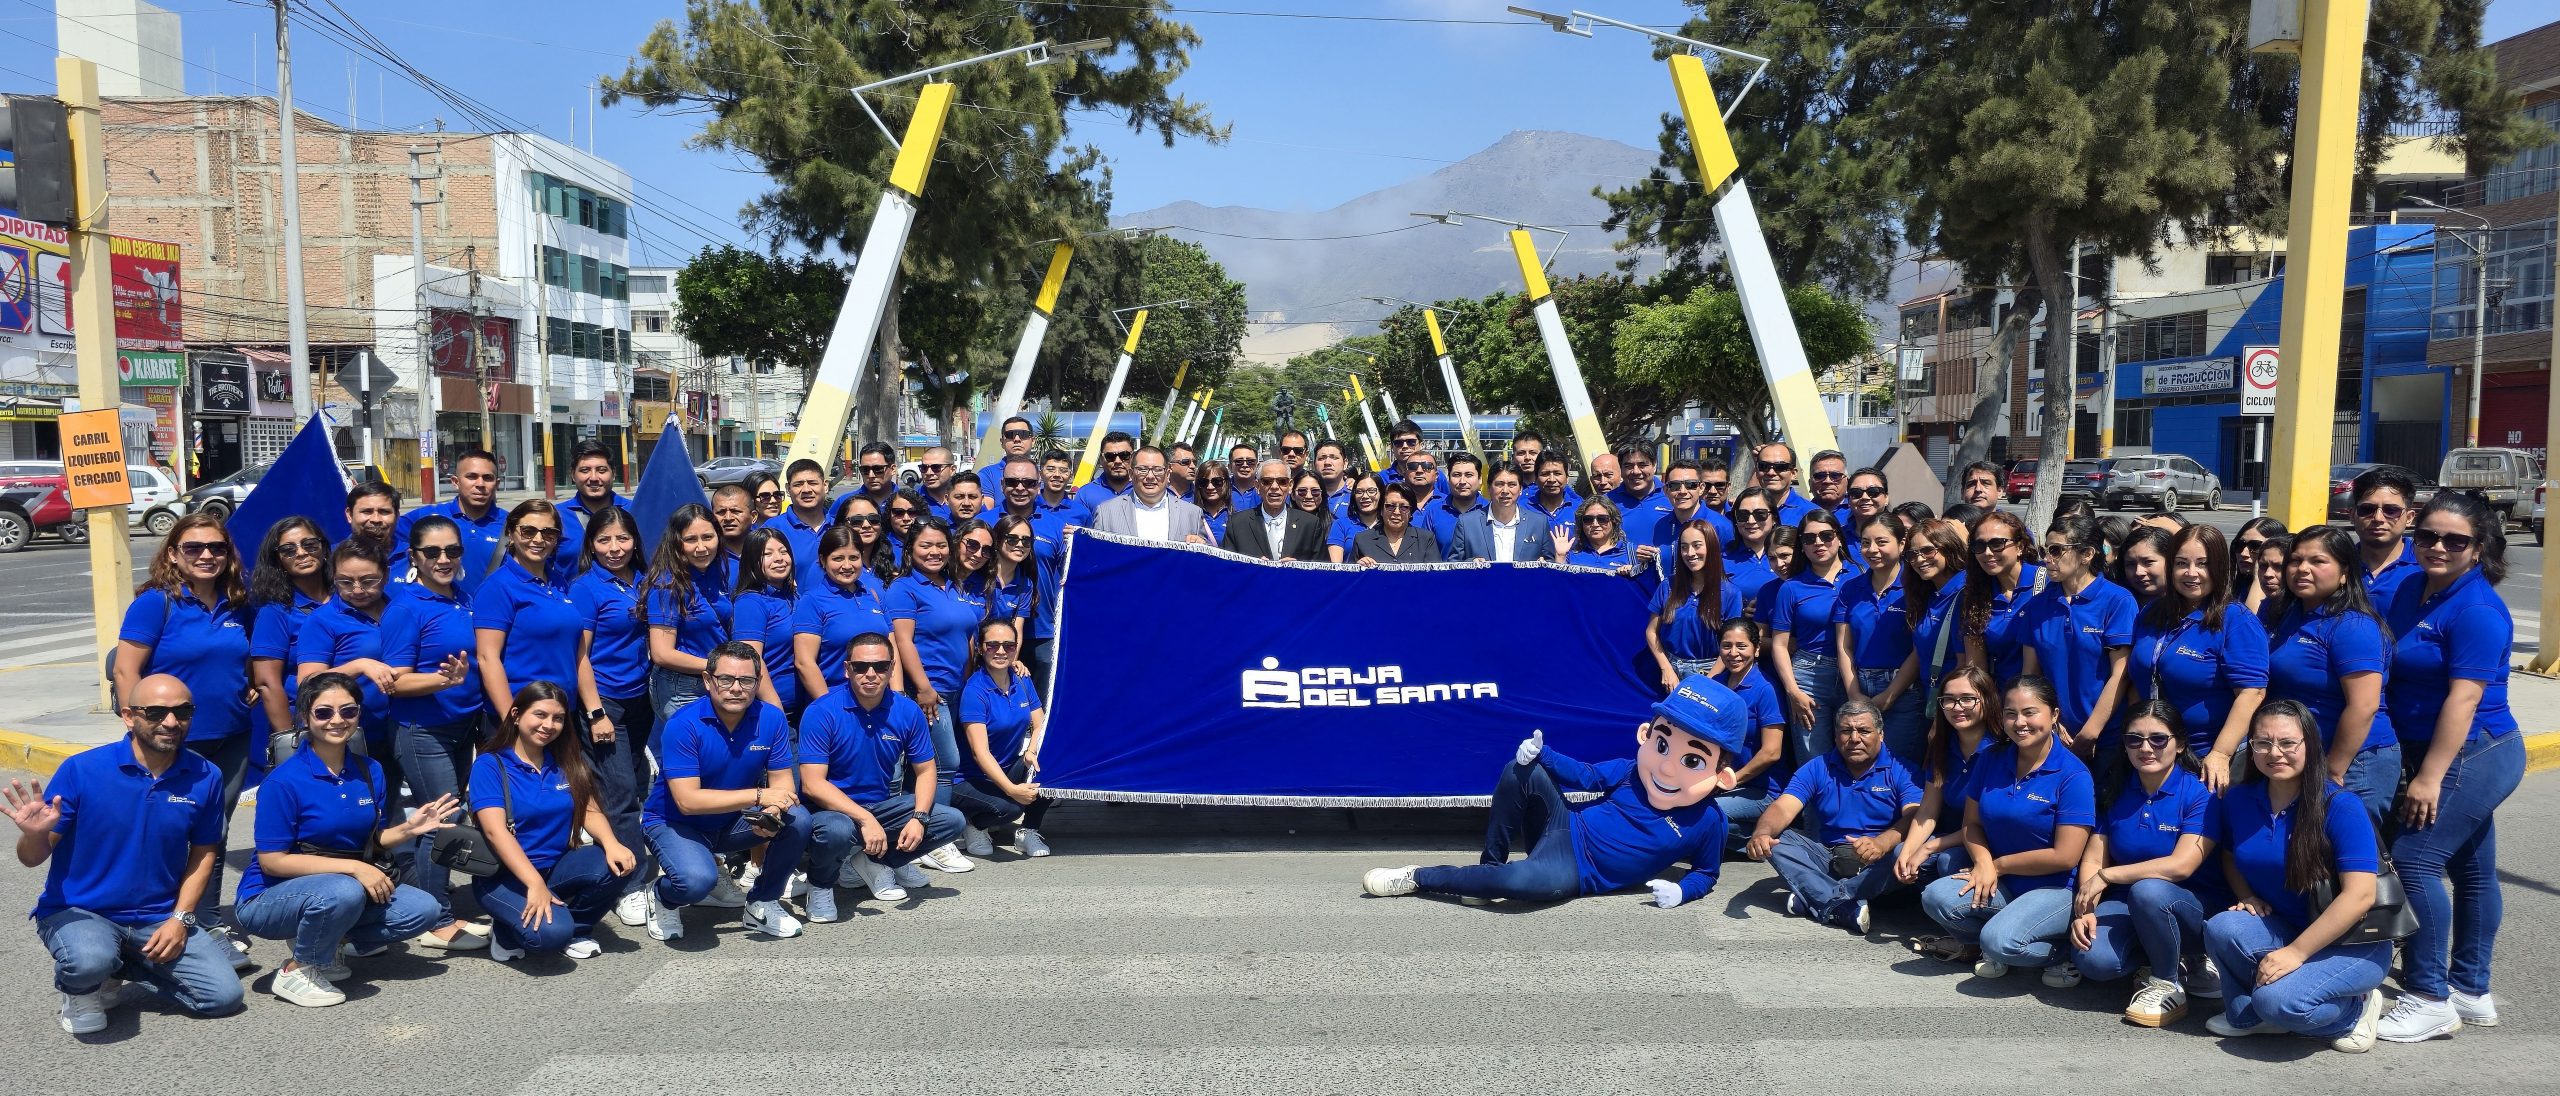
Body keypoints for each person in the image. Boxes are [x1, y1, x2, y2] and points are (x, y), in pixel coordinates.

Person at [1361, 677, 1742, 907]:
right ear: (1646, 734)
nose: (1667, 767)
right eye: (1662, 744)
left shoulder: (1708, 821)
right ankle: (1488, 865)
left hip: (1576, 872)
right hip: (1563, 826)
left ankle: (1420, 877)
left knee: (1513, 886)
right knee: (1520, 769)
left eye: (1692, 760)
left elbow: (1706, 872)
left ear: (1722, 777)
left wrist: (1682, 892)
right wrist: (1543, 753)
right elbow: (1587, 776)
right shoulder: (1631, 770)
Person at [10, 674, 245, 1033]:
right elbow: (31, 858)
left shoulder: (205, 775)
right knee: (89, 961)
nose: (171, 722)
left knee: (224, 997)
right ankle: (83, 984)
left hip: (157, 916)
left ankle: (117, 965)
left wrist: (180, 919)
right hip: (82, 911)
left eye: (183, 712)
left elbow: (203, 853)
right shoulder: (82, 770)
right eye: (156, 712)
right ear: (129, 716)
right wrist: (34, 835)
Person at [2376, 490, 2522, 1041]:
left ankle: (2428, 996)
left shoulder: (2477, 610)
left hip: (2473, 749)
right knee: (2473, 871)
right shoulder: (2413, 587)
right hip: (2430, 746)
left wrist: (2430, 777)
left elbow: (2464, 699)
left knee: (2414, 861)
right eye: (2429, 536)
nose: (2438, 547)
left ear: (2479, 548)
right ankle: (2470, 989)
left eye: (2455, 540)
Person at [233, 674, 464, 1006]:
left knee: (423, 909)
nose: (337, 720)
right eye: (324, 712)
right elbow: (273, 861)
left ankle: (326, 942)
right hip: (269, 896)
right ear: (305, 717)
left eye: (348, 711)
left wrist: (409, 829)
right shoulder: (284, 782)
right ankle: (297, 970)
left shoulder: (370, 770)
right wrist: (355, 868)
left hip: (340, 886)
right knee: (345, 889)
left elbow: (372, 840)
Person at [2203, 700, 2391, 1052]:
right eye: (2263, 742)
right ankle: (2252, 1017)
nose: (2275, 753)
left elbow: (2360, 895)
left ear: (2311, 745)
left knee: (2279, 1002)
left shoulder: (2340, 805)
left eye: (2288, 743)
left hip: (2353, 944)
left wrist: (2296, 953)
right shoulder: (2240, 799)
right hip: (2288, 928)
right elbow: (2230, 855)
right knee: (2222, 927)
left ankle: (2357, 1008)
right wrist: (2245, 894)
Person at [114, 515, 254, 957]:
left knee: (214, 831)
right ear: (173, 554)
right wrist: (135, 720)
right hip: (172, 737)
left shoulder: (238, 603)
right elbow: (126, 669)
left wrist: (249, 683)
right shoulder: (156, 603)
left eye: (216, 547)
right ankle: (143, 918)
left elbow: (241, 660)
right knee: (165, 827)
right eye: (194, 548)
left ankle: (204, 920)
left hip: (231, 736)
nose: (206, 555)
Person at [1917, 675, 2095, 981]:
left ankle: (2063, 953)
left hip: (2053, 888)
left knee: (1999, 942)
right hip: (2001, 882)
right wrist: (1984, 862)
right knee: (1935, 898)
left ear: (2054, 715)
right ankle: (2001, 935)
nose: (2020, 722)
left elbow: (2065, 856)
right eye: (2010, 714)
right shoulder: (1990, 759)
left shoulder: (2073, 775)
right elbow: (1971, 824)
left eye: (2030, 712)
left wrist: (1997, 866)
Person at [638, 643, 811, 941]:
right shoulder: (683, 724)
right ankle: (661, 896)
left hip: (731, 820)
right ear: (708, 680)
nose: (736, 688)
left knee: (798, 819)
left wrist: (772, 812)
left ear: (758, 683)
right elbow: (688, 801)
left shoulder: (771, 718)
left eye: (746, 680)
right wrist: (760, 797)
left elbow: (783, 785)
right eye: (726, 679)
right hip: (676, 822)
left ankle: (762, 903)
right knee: (695, 882)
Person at [2067, 702, 2225, 1025]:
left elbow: (2181, 866)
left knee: (2149, 891)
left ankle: (2168, 983)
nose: (2146, 748)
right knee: (2095, 961)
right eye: (2134, 739)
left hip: (2191, 908)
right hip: (2128, 903)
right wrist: (2086, 911)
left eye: (2158, 739)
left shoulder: (2200, 794)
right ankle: (2156, 957)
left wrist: (2108, 876)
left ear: (2179, 744)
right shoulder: (2116, 788)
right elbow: (2094, 857)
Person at [377, 516, 488, 950]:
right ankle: (434, 920)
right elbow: (394, 681)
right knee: (439, 820)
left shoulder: (463, 597)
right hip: (422, 730)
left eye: (452, 551)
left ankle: (436, 906)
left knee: (446, 817)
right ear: (413, 556)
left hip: (462, 726)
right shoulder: (407, 607)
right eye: (432, 552)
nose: (444, 559)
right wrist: (444, 681)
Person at [797, 633, 966, 914]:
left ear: (892, 668)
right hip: (830, 810)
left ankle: (872, 862)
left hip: (880, 806)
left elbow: (926, 770)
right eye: (861, 666)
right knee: (837, 830)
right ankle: (820, 884)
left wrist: (919, 818)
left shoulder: (907, 710)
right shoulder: (822, 711)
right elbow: (813, 785)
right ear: (847, 669)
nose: (871, 674)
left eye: (880, 666)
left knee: (950, 820)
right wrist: (865, 819)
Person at [470, 681, 637, 961]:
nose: (549, 725)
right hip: (504, 877)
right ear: (516, 715)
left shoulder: (564, 761)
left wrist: (611, 843)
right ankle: (505, 929)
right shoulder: (490, 765)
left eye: (558, 718)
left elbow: (589, 810)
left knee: (620, 863)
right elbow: (495, 831)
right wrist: (534, 883)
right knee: (550, 935)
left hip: (556, 867)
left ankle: (578, 929)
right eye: (540, 715)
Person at [2263, 525, 2400, 830]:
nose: (2302, 569)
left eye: (2318, 561)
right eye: (2296, 560)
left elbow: (2364, 706)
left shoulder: (2353, 626)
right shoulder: (2288, 614)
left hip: (2355, 762)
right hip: (2301, 756)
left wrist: (2333, 769)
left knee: (2344, 852)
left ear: (2344, 573)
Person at [1746, 701, 1922, 935]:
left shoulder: (1903, 770)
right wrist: (1761, 834)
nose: (1854, 738)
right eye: (1846, 731)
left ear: (1881, 735)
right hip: (1829, 857)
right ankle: (1841, 905)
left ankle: (1815, 896)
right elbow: (1782, 807)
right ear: (1836, 736)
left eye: (1864, 731)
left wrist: (1882, 842)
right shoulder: (1818, 767)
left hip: (1879, 861)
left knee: (1906, 852)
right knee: (1776, 841)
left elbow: (1915, 816)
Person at [569, 506, 656, 930]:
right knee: (620, 794)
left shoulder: (645, 579)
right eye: (604, 540)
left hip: (642, 699)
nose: (614, 548)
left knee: (634, 784)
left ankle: (619, 853)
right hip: (606, 702)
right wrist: (595, 712)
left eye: (622, 538)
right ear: (592, 545)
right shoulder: (586, 587)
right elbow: (579, 656)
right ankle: (630, 887)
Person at [2131, 524, 2267, 793]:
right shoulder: (2152, 612)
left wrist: (2221, 753)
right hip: (2150, 751)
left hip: (2205, 759)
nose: (2191, 573)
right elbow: (2137, 679)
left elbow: (2252, 694)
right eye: (2182, 563)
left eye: (2203, 564)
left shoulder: (2236, 620)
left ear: (2219, 567)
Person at [889, 518, 989, 874]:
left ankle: (921, 835)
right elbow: (902, 641)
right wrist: (923, 688)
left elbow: (966, 637)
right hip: (929, 692)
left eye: (941, 545)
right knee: (944, 764)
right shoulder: (904, 588)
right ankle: (936, 840)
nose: (935, 552)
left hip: (957, 688)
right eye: (925, 546)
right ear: (910, 549)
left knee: (935, 766)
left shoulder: (952, 586)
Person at [2015, 514, 2136, 762]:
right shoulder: (2037, 606)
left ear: (2087, 554)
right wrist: (2050, 722)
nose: (2047, 559)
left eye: (2056, 550)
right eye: (2045, 550)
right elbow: (2031, 676)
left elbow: (2121, 675)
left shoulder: (2117, 601)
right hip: (2054, 736)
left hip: (2106, 739)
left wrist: (2090, 733)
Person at [1893, 665, 2004, 910]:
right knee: (1902, 852)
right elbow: (1927, 811)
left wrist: (1930, 846)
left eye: (1967, 699)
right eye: (1949, 700)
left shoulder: (2002, 750)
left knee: (1947, 861)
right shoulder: (1942, 745)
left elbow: (1983, 822)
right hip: (1952, 835)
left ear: (1987, 700)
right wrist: (1909, 850)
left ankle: (1964, 917)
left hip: (1987, 842)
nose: (1957, 707)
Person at [946, 618, 1056, 858]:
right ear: (980, 648)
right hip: (970, 779)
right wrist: (1012, 790)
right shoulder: (975, 691)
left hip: (1006, 768)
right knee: (1011, 809)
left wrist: (1031, 751)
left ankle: (1028, 831)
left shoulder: (1022, 679)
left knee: (1052, 760)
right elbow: (980, 753)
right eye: (992, 645)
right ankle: (974, 823)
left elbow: (1041, 724)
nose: (1001, 651)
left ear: (1016, 648)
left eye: (1008, 645)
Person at [293, 541, 401, 766]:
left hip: (407, 729)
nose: (357, 590)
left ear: (386, 575)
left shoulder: (401, 610)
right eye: (345, 582)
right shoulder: (322, 620)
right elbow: (307, 682)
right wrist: (359, 666)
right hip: (352, 735)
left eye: (368, 581)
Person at [474, 501, 582, 718]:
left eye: (549, 533)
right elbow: (487, 658)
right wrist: (511, 719)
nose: (538, 539)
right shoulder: (498, 587)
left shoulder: (559, 582)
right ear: (510, 533)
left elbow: (576, 651)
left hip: (561, 711)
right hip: (522, 714)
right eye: (528, 531)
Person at [1834, 512, 1925, 765]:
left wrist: (1891, 694)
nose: (1872, 550)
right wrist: (1854, 693)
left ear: (1902, 543)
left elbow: (1920, 647)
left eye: (1881, 542)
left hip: (1904, 689)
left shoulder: (1917, 586)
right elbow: (1844, 645)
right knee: (1860, 763)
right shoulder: (1851, 588)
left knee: (1898, 764)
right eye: (1865, 543)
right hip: (1859, 684)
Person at [1768, 510, 1853, 768]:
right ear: (1802, 547)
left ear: (1839, 537)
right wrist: (1792, 691)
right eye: (1809, 538)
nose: (1818, 543)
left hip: (1856, 672)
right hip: (1809, 675)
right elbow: (1780, 645)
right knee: (1813, 760)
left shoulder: (1861, 576)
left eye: (1826, 535)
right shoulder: (1791, 587)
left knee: (1857, 754)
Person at [248, 516, 335, 746]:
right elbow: (267, 683)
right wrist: (290, 741)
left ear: (324, 548)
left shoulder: (348, 598)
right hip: (308, 728)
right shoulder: (275, 612)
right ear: (278, 561)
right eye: (288, 550)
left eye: (310, 544)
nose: (301, 553)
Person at [645, 505, 734, 726]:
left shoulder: (718, 572)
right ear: (676, 543)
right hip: (682, 687)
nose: (701, 547)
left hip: (717, 680)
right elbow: (661, 653)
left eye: (708, 537)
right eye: (690, 539)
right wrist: (719, 666)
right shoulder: (666, 585)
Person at [795, 522, 903, 704]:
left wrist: (898, 696)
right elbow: (804, 663)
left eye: (854, 557)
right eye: (838, 558)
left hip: (881, 701)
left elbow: (892, 649)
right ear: (823, 560)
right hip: (837, 702)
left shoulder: (873, 595)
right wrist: (829, 706)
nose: (847, 565)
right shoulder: (813, 601)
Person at [1706, 620, 1790, 840]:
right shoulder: (1715, 684)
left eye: (1741, 646)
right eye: (1726, 646)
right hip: (1717, 782)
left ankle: (1762, 837)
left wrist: (1728, 781)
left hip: (1760, 790)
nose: (1733, 653)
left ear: (1757, 649)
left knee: (1704, 814)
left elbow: (1771, 752)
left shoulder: (1766, 689)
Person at [394, 450, 506, 597]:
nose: (480, 484)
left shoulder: (513, 524)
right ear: (455, 482)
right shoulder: (426, 516)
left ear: (497, 484)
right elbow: (382, 542)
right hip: (438, 609)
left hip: (492, 608)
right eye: (471, 477)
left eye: (488, 478)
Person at [1646, 521, 1742, 690]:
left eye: (1697, 546)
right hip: (1669, 671)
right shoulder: (1668, 586)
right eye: (1684, 547)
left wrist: (1709, 680)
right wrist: (1666, 668)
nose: (1690, 553)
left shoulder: (1730, 593)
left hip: (1710, 672)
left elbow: (1730, 644)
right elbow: (1651, 631)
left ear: (1711, 547)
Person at [1959, 510, 2041, 682]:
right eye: (1979, 546)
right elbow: (1976, 666)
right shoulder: (1975, 594)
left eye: (1997, 543)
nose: (1987, 552)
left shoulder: (2047, 584)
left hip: (2045, 693)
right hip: (2001, 694)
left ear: (2020, 547)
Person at [730, 527, 801, 714]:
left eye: (783, 551)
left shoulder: (793, 596)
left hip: (805, 707)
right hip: (774, 709)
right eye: (767, 554)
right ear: (752, 561)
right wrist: (776, 710)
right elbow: (750, 658)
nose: (779, 558)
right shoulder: (750, 603)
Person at [1899, 519, 1971, 700]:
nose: (1919, 560)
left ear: (1949, 547)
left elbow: (1965, 663)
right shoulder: (1927, 593)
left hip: (1953, 700)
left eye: (1928, 550)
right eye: (1912, 554)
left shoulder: (1964, 593)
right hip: (1929, 695)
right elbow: (1919, 653)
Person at [1087, 447, 1210, 544]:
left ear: (1167, 474)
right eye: (1142, 469)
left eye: (1157, 470)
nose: (1150, 476)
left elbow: (1208, 559)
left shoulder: (1192, 513)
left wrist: (1202, 545)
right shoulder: (1106, 512)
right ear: (1131, 474)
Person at [1224, 459, 1329, 561]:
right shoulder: (1237, 524)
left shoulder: (1310, 524)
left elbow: (1322, 568)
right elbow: (1226, 567)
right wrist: (1252, 567)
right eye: (1267, 481)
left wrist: (1298, 568)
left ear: (1290, 486)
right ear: (1257, 486)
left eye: (1282, 481)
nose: (1274, 487)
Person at [2349, 466, 2421, 608]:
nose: (2378, 518)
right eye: (2367, 509)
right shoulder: (2337, 564)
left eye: (2391, 510)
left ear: (2409, 518)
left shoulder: (2428, 566)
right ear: (2352, 515)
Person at [1449, 464, 1551, 563]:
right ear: (1489, 488)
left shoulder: (1538, 523)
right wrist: (1471, 563)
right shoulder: (1467, 523)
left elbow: (1550, 561)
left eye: (1512, 485)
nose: (1505, 491)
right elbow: (1453, 563)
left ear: (1520, 489)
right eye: (1499, 484)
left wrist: (1544, 564)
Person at [762, 458, 838, 590]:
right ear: (788, 489)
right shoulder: (773, 529)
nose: (806, 489)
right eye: (798, 484)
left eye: (812, 483)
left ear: (825, 486)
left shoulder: (839, 526)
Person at [555, 441, 630, 560]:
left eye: (602, 470)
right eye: (585, 470)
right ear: (573, 475)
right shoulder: (556, 516)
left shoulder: (634, 510)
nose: (594, 478)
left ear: (613, 473)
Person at [1558, 496, 1648, 588]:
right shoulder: (1572, 554)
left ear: (1613, 521)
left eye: (1602, 519)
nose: (1595, 524)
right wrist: (1560, 556)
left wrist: (1635, 572)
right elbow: (1560, 586)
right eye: (1588, 519)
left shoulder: (1633, 553)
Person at [1650, 458, 1732, 549]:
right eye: (1675, 485)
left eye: (1690, 485)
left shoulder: (1721, 526)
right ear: (1666, 490)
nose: (1682, 491)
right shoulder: (1661, 525)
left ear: (1701, 488)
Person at [1354, 482, 1441, 566]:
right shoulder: (1362, 540)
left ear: (1411, 512)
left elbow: (1436, 575)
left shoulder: (1425, 540)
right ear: (1381, 510)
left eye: (1404, 507)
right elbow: (1350, 574)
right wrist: (1357, 568)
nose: (1396, 512)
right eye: (1390, 506)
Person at [1722, 488, 1785, 604]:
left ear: (1774, 518)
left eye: (1760, 514)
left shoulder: (1792, 555)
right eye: (1743, 515)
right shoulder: (1723, 559)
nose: (1751, 521)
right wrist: (1741, 610)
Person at [1423, 452, 1486, 558]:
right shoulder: (1434, 513)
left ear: (1480, 479)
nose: (1462, 481)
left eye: (1469, 475)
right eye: (1456, 475)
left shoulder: (1490, 511)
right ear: (1448, 479)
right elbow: (1425, 555)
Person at [1605, 444, 1668, 538]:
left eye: (1642, 465)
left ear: (1654, 465)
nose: (1636, 471)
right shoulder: (1606, 502)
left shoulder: (1672, 497)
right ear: (1621, 468)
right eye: (1628, 466)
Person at [1750, 442, 1816, 527]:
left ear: (1793, 474)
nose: (1771, 473)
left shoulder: (1812, 513)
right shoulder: (1743, 512)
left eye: (1780, 467)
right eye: (1764, 466)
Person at [708, 483, 756, 591]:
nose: (728, 518)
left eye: (736, 511)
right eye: (721, 512)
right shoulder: (706, 555)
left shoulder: (767, 548)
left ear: (753, 516)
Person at [1330, 471, 1386, 563]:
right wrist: (1356, 567)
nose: (1365, 496)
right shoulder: (1340, 525)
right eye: (1359, 492)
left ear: (1382, 493)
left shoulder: (1389, 525)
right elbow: (1335, 567)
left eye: (1371, 491)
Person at [1075, 432, 1140, 511]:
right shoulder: (1085, 494)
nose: (1117, 461)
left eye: (1124, 455)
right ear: (1101, 459)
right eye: (1110, 456)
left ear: (1133, 457)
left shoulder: (1145, 489)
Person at [2114, 525, 2174, 608]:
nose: (2138, 572)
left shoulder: (2187, 608)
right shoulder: (2114, 603)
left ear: (2171, 560)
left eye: (2148, 562)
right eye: (2131, 564)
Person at [344, 480, 402, 565]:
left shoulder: (413, 558)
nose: (376, 519)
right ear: (350, 515)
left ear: (397, 516)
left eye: (384, 511)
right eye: (367, 511)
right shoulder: (330, 557)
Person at [1525, 451, 1581, 524]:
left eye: (1557, 474)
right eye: (1545, 474)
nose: (1552, 480)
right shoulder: (1521, 508)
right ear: (1536, 478)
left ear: (1567, 478)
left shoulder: (1580, 509)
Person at [1195, 461, 1236, 544]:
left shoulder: (1237, 517)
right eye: (1203, 482)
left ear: (1226, 483)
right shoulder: (1191, 515)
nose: (1210, 487)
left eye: (1217, 482)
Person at [916, 446, 957, 521]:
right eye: (924, 468)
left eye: (936, 467)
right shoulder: (912, 501)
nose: (929, 473)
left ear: (952, 470)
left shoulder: (965, 498)